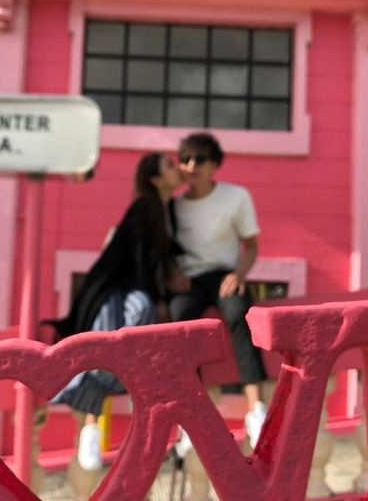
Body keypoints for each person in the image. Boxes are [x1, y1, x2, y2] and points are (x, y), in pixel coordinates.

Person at [51, 152, 183, 470]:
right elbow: (140, 258)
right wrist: (159, 298)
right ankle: (90, 426)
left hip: (131, 288)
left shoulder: (168, 211)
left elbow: (164, 255)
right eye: (169, 165)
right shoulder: (145, 207)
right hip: (116, 289)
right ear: (155, 179)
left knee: (124, 343)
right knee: (125, 326)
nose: (177, 167)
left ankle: (91, 424)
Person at [169, 132, 268, 449]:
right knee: (179, 321)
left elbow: (251, 245)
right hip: (189, 279)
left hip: (224, 272)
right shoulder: (173, 205)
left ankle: (256, 408)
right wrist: (174, 274)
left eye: (199, 159)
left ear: (215, 165)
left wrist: (239, 274)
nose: (191, 166)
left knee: (239, 313)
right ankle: (190, 415)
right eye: (185, 159)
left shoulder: (236, 197)